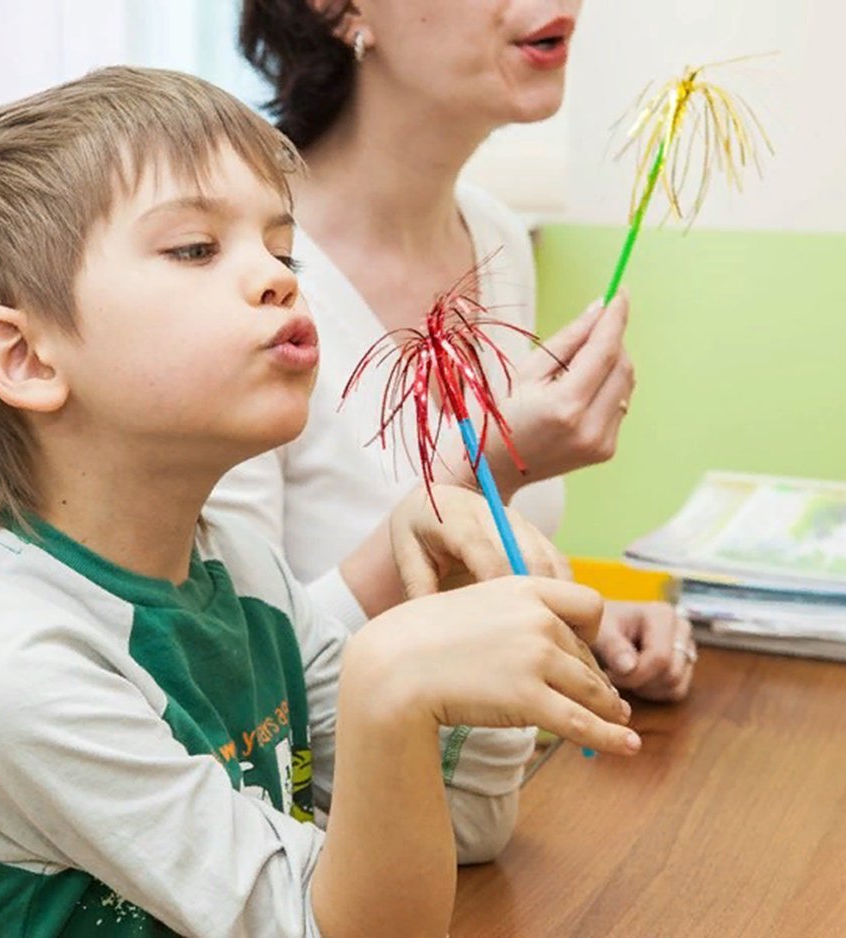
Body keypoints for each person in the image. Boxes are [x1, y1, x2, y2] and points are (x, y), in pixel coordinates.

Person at [0, 66, 638, 936]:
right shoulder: (9, 669)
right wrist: (388, 678)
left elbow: (459, 830)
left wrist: (477, 605)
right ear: (26, 358)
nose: (278, 279)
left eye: (282, 250)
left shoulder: (238, 576)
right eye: (195, 250)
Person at [217, 0, 696, 701]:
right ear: (338, 9)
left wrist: (580, 621)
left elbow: (468, 595)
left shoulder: (495, 238)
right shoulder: (243, 279)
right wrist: (483, 475)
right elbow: (250, 683)